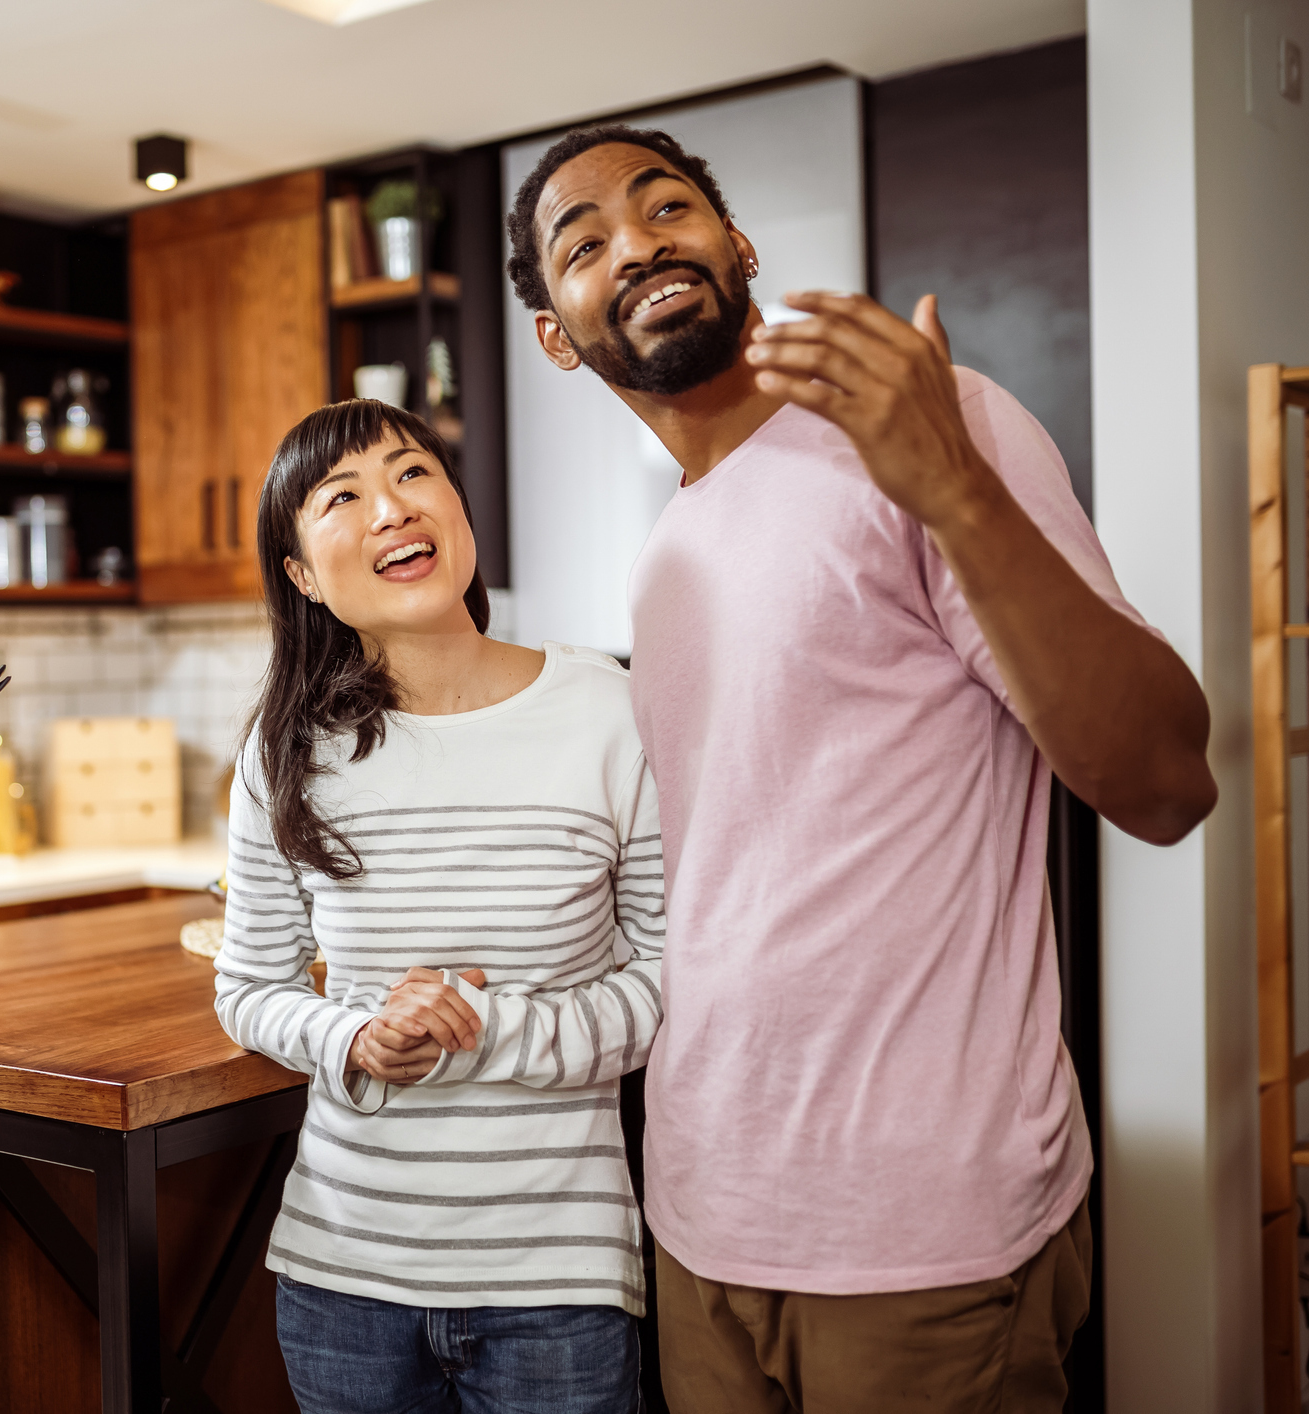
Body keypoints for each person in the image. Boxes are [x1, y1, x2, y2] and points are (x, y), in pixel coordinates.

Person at [503, 124, 1217, 1410]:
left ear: (739, 247)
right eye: (586, 242)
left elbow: (1167, 782)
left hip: (923, 1232)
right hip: (704, 1219)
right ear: (557, 332)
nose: (641, 242)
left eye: (668, 208)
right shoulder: (668, 555)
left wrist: (952, 487)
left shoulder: (942, 430)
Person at [213, 399, 664, 1414]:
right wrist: (356, 1038)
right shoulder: (286, 751)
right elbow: (248, 990)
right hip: (345, 1277)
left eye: (413, 473)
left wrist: (491, 1029)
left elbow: (673, 975)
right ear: (300, 573)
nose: (390, 509)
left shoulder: (607, 710)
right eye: (343, 496)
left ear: (457, 506)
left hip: (559, 1281)